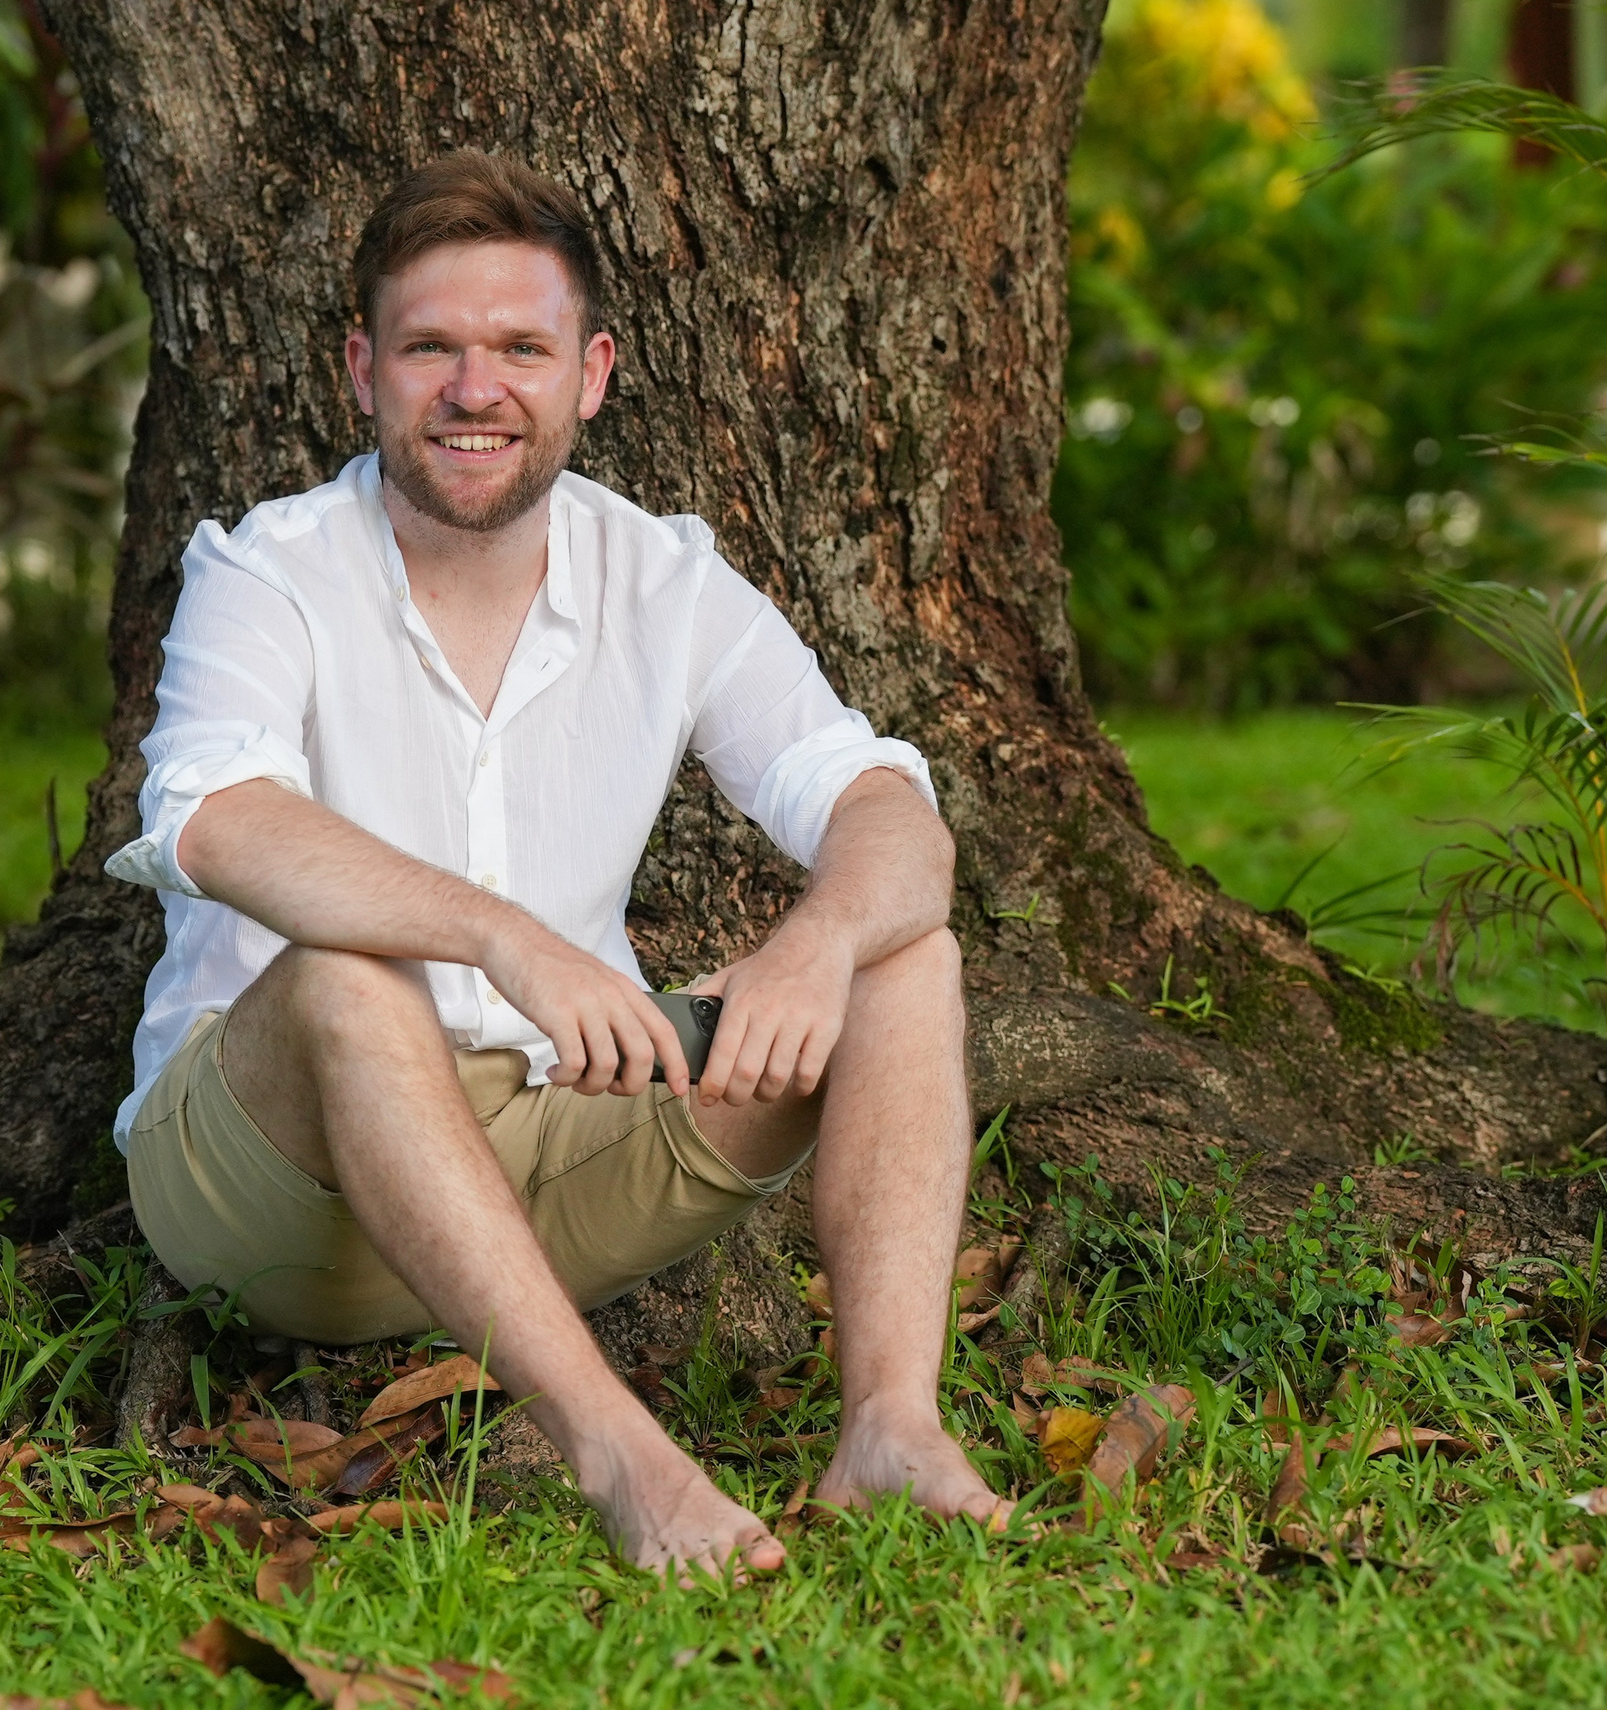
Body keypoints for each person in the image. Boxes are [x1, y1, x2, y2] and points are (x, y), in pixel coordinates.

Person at [104, 150, 997, 1578]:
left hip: (544, 1154)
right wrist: (506, 938)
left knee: (906, 947)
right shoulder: (270, 571)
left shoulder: (665, 578)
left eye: (520, 348)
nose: (476, 389)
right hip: (276, 1182)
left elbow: (883, 805)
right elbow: (216, 818)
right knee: (349, 978)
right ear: (363, 370)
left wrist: (818, 941)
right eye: (431, 348)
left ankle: (890, 1429)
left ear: (591, 374)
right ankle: (623, 1458)